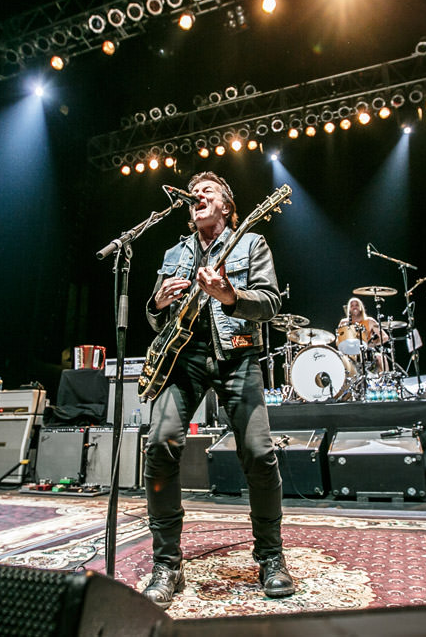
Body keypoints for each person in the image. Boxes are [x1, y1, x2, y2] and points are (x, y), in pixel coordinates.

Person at [141, 171, 293, 608]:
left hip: (238, 356)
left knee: (260, 454)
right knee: (160, 445)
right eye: (195, 194)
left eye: (208, 191)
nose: (198, 196)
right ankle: (167, 564)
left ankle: (270, 557)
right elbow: (155, 318)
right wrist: (158, 302)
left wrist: (230, 295)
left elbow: (270, 303)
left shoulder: (251, 244)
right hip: (181, 360)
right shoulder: (174, 252)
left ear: (226, 205)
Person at [336, 297, 389, 374]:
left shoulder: (370, 321)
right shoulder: (344, 322)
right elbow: (338, 341)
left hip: (367, 352)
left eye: (357, 305)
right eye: (352, 305)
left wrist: (373, 343)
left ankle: (385, 382)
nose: (354, 307)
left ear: (361, 307)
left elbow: (385, 337)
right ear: (349, 309)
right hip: (350, 354)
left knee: (381, 357)